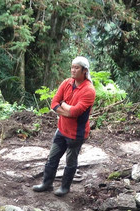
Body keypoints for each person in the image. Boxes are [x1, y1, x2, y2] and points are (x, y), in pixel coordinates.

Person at [32, 56, 96, 197]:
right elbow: (54, 103)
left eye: (76, 68)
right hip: (61, 129)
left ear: (84, 71)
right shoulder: (67, 83)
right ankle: (47, 183)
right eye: (72, 67)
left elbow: (75, 112)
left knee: (70, 161)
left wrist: (65, 106)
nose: (73, 70)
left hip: (76, 134)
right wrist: (66, 110)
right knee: (52, 157)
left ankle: (65, 187)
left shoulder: (89, 90)